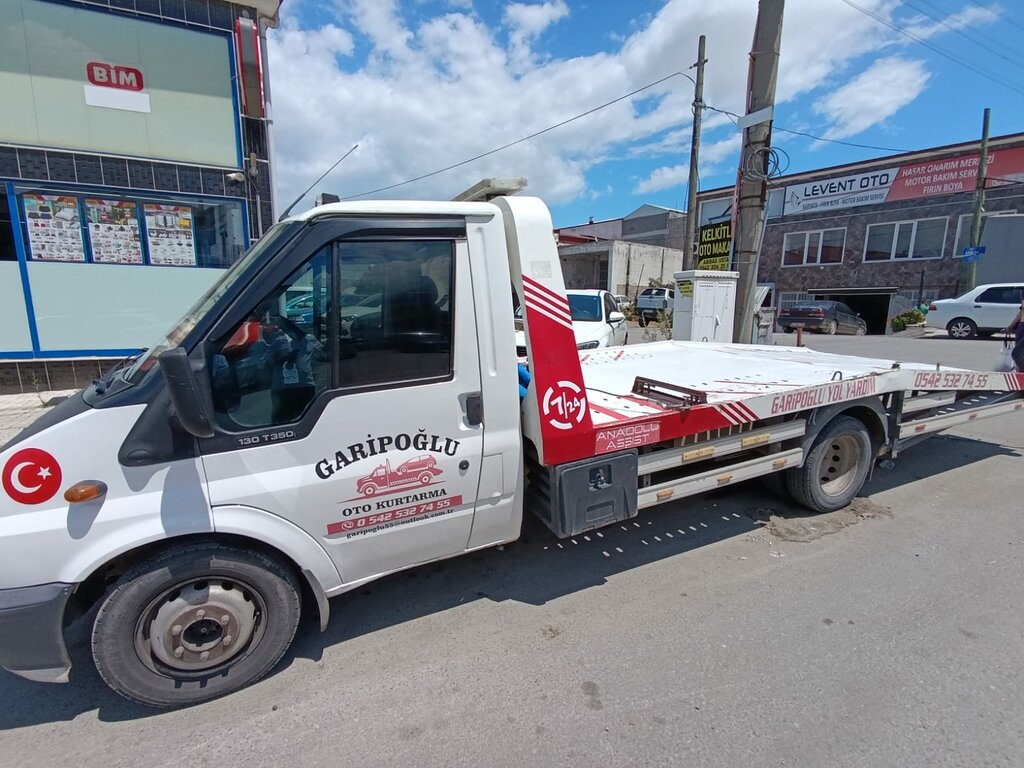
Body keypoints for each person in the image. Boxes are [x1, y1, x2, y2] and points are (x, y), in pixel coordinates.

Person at [1006, 296, 1024, 371]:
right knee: (1020, 353)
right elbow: (1021, 313)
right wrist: (1011, 326)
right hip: (1021, 326)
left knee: (1016, 353)